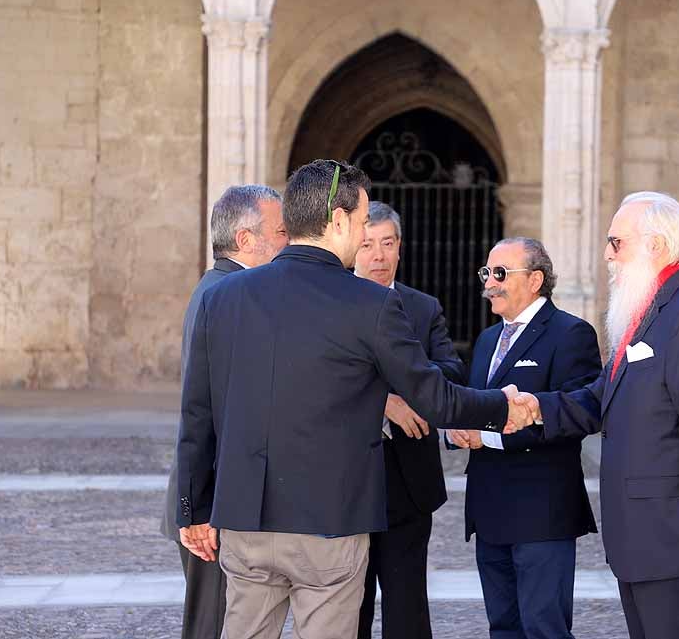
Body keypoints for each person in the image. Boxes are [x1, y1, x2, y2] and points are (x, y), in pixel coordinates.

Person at [176, 159, 535, 639]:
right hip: (330, 524)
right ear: (339, 221)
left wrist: (193, 509)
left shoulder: (222, 297)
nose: (366, 234)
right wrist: (504, 406)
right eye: (364, 222)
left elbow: (198, 414)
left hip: (245, 523)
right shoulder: (371, 304)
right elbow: (435, 398)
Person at [509, 192, 679, 639]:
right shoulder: (648, 312)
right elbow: (605, 396)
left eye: (616, 242)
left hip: (672, 540)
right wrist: (536, 408)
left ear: (655, 245)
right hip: (640, 539)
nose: (606, 254)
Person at [446, 237, 601, 639]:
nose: (489, 283)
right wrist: (456, 430)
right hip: (490, 512)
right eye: (487, 273)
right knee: (503, 628)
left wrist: (489, 438)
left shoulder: (571, 334)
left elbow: (578, 413)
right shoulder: (485, 341)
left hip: (541, 514)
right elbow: (473, 406)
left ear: (535, 279)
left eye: (500, 273)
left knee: (544, 628)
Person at [160, 184, 287, 639]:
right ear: (246, 239)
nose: (288, 241)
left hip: (211, 500)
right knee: (210, 625)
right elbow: (204, 412)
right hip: (212, 506)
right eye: (281, 230)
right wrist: (199, 509)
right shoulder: (228, 295)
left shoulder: (222, 289)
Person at [354, 202, 463, 639]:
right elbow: (313, 379)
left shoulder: (423, 308)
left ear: (400, 248)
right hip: (345, 480)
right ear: (351, 248)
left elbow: (451, 371)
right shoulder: (329, 304)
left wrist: (414, 394)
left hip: (409, 483)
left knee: (407, 607)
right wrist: (384, 400)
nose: (378, 256)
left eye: (387, 244)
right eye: (367, 245)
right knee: (347, 608)